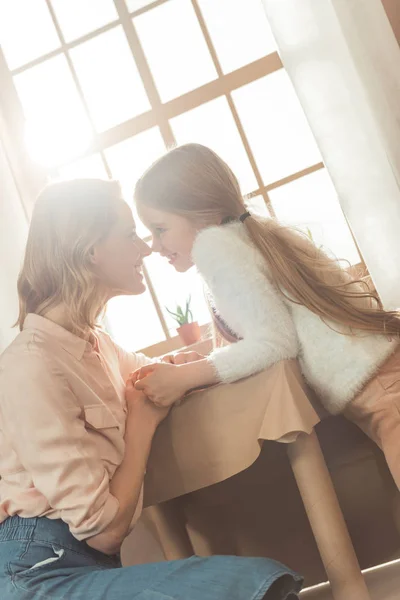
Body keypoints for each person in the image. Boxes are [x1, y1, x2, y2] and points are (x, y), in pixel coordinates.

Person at [0, 178, 303, 600]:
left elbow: (152, 379)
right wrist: (141, 422)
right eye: (129, 235)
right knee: (249, 587)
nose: (145, 249)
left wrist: (182, 368)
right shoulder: (30, 365)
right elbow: (104, 533)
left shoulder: (96, 345)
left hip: (86, 569)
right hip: (34, 577)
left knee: (255, 581)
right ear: (90, 250)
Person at [133, 143, 400, 490]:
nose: (154, 245)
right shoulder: (246, 234)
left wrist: (186, 377)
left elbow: (274, 342)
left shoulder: (216, 247)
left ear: (203, 213)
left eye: (160, 229)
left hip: (383, 390)